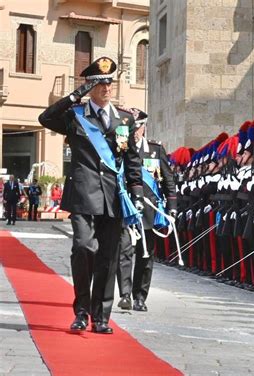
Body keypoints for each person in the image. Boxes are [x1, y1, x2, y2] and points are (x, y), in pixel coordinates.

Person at [38, 57, 143, 334]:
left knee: (108, 256)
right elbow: (45, 118)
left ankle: (101, 316)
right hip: (83, 193)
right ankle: (81, 310)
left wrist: (137, 193)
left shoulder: (125, 119)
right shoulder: (75, 115)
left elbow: (132, 160)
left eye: (110, 82)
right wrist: (75, 95)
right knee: (84, 248)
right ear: (90, 86)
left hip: (113, 196)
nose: (107, 87)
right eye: (100, 83)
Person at [116, 109, 177, 312]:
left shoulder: (155, 150)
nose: (135, 131)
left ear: (144, 127)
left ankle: (139, 296)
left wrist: (172, 208)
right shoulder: (121, 147)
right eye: (132, 127)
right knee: (124, 252)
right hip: (127, 209)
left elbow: (168, 180)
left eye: (138, 127)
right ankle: (125, 294)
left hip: (149, 211)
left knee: (145, 256)